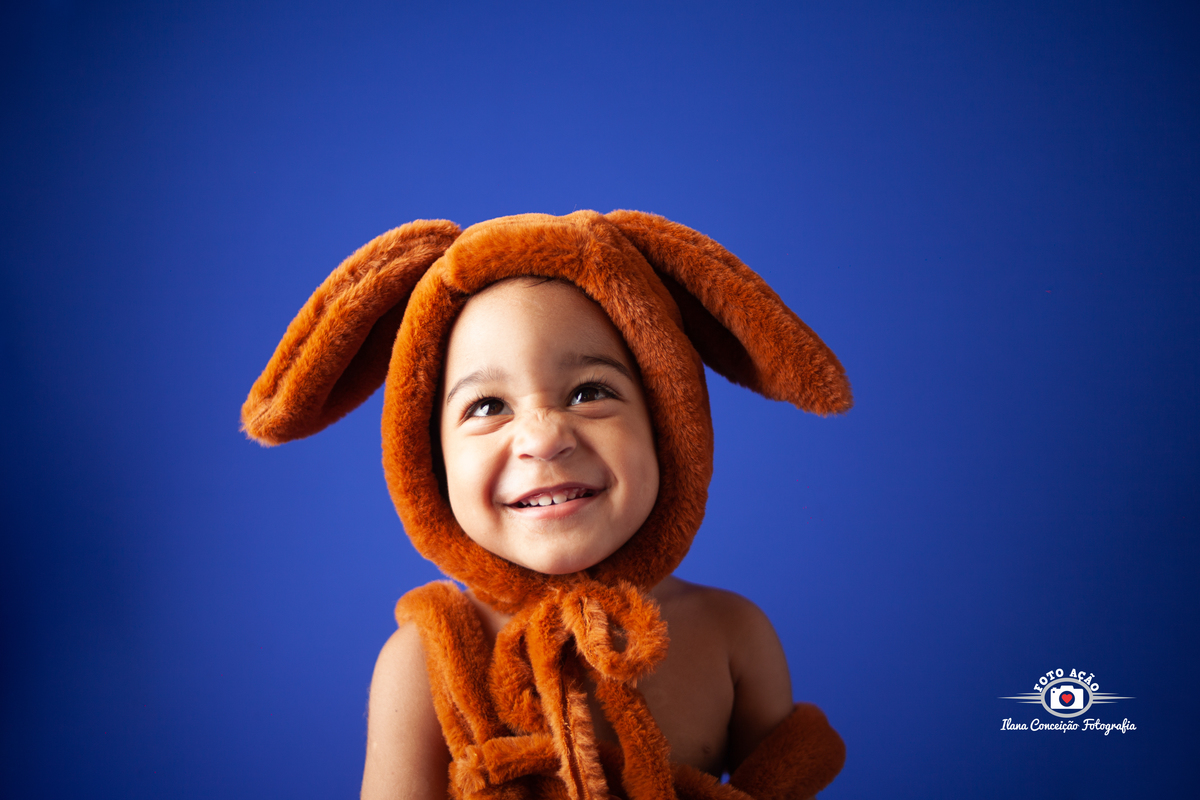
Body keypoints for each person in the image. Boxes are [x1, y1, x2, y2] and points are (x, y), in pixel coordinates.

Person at [242, 211, 852, 799]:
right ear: (428, 460)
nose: (541, 437)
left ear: (669, 426)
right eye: (486, 407)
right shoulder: (424, 665)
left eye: (590, 392)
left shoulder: (733, 636)